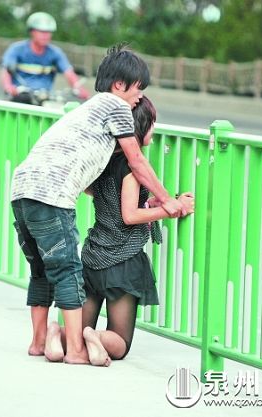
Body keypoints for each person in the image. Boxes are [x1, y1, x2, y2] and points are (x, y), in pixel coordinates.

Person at [11, 44, 187, 365]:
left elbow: (96, 186)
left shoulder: (87, 112)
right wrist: (168, 202)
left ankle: (42, 340)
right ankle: (77, 349)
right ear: (119, 85)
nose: (138, 98)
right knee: (67, 271)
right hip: (53, 196)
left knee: (41, 271)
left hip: (23, 187)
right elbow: (137, 163)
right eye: (138, 90)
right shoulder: (116, 107)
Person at [77, 96, 194, 366]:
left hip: (93, 256)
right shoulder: (131, 169)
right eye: (152, 123)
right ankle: (95, 336)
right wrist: (173, 208)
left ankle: (58, 334)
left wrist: (150, 203)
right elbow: (129, 216)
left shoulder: (104, 160)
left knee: (75, 336)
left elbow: (98, 194)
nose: (154, 129)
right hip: (121, 262)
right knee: (120, 343)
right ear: (140, 127)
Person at [0, 11, 89, 104]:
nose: (46, 36)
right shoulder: (17, 49)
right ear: (32, 32)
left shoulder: (55, 53)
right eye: (42, 32)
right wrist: (8, 87)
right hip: (20, 96)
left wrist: (78, 88)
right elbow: (6, 70)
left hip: (44, 97)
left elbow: (68, 72)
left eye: (48, 32)